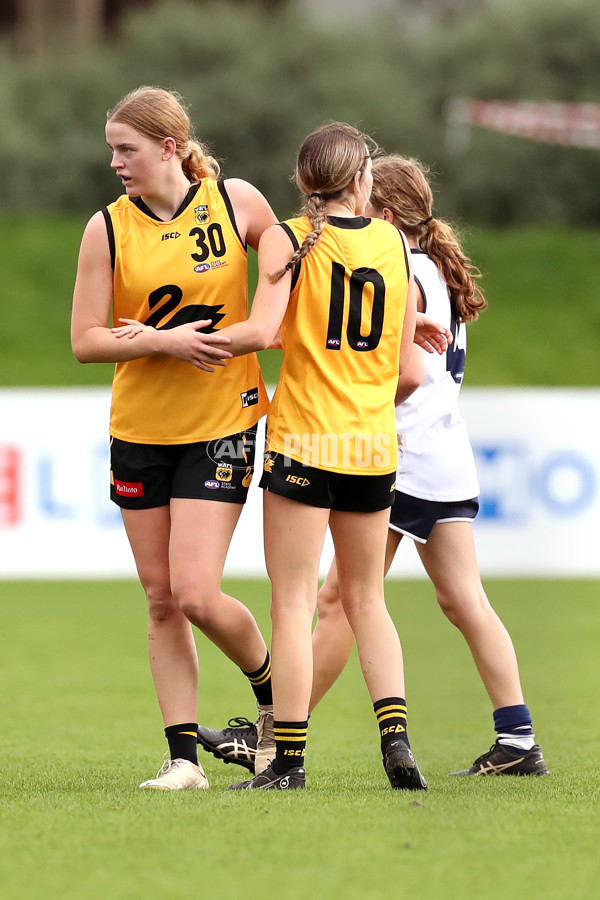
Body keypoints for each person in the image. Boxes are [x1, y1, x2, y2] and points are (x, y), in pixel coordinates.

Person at [198, 154, 549, 779]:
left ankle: (275, 738)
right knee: (454, 600)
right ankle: (515, 734)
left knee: (331, 602)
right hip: (435, 451)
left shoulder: (370, 255)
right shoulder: (421, 262)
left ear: (379, 207)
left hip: (382, 443)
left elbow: (388, 367)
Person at [180, 124, 451, 791]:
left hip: (304, 442)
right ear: (360, 180)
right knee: (367, 600)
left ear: (303, 182)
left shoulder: (288, 238)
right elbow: (394, 351)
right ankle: (397, 742)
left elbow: (262, 331)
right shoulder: (393, 242)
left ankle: (289, 762)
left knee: (294, 604)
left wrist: (171, 340)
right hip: (371, 447)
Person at [71, 86, 279, 790]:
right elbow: (86, 340)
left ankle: (275, 699)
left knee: (194, 591)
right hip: (139, 429)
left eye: (125, 149)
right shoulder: (106, 228)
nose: (114, 162)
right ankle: (184, 760)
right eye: (111, 149)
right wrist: (164, 342)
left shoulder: (236, 202)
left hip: (222, 422)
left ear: (169, 147)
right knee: (160, 598)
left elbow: (295, 275)